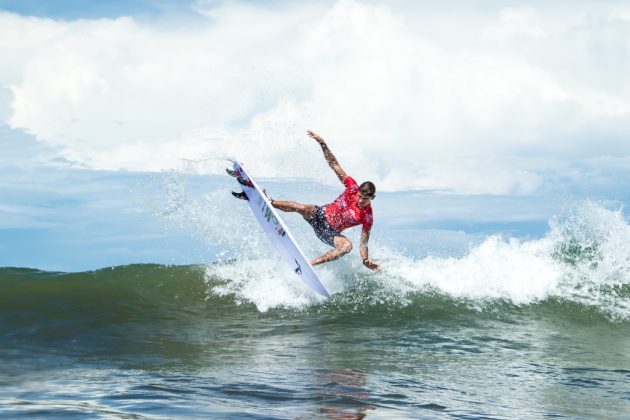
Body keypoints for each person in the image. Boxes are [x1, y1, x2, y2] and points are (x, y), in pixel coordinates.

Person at [269, 130, 380, 271]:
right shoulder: (352, 187)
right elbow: (334, 165)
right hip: (321, 214)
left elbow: (364, 242)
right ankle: (269, 202)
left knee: (347, 246)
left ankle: (310, 265)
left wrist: (365, 259)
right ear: (357, 191)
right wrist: (323, 143)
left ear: (372, 198)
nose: (360, 200)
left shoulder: (367, 217)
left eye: (365, 199)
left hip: (329, 232)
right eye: (359, 196)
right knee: (304, 208)